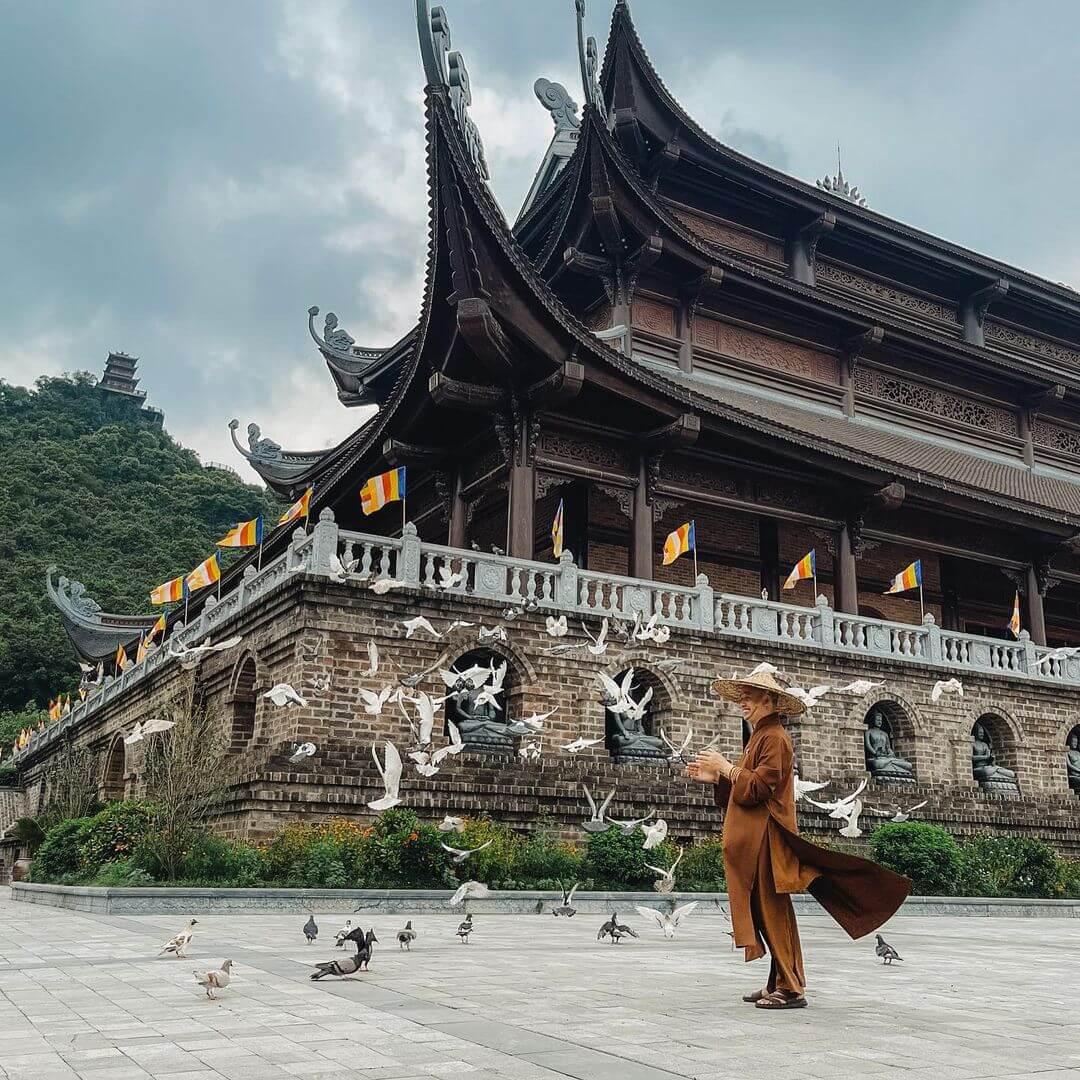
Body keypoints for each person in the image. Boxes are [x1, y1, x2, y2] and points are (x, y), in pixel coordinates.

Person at [687, 669, 910, 1011]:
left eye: (748, 695)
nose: (742, 702)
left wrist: (726, 768)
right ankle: (778, 981)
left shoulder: (774, 737)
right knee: (764, 911)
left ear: (769, 699)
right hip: (756, 838)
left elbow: (761, 788)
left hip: (768, 837)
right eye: (741, 695)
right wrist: (717, 776)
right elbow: (746, 787)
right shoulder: (760, 737)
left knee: (773, 911)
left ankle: (792, 988)